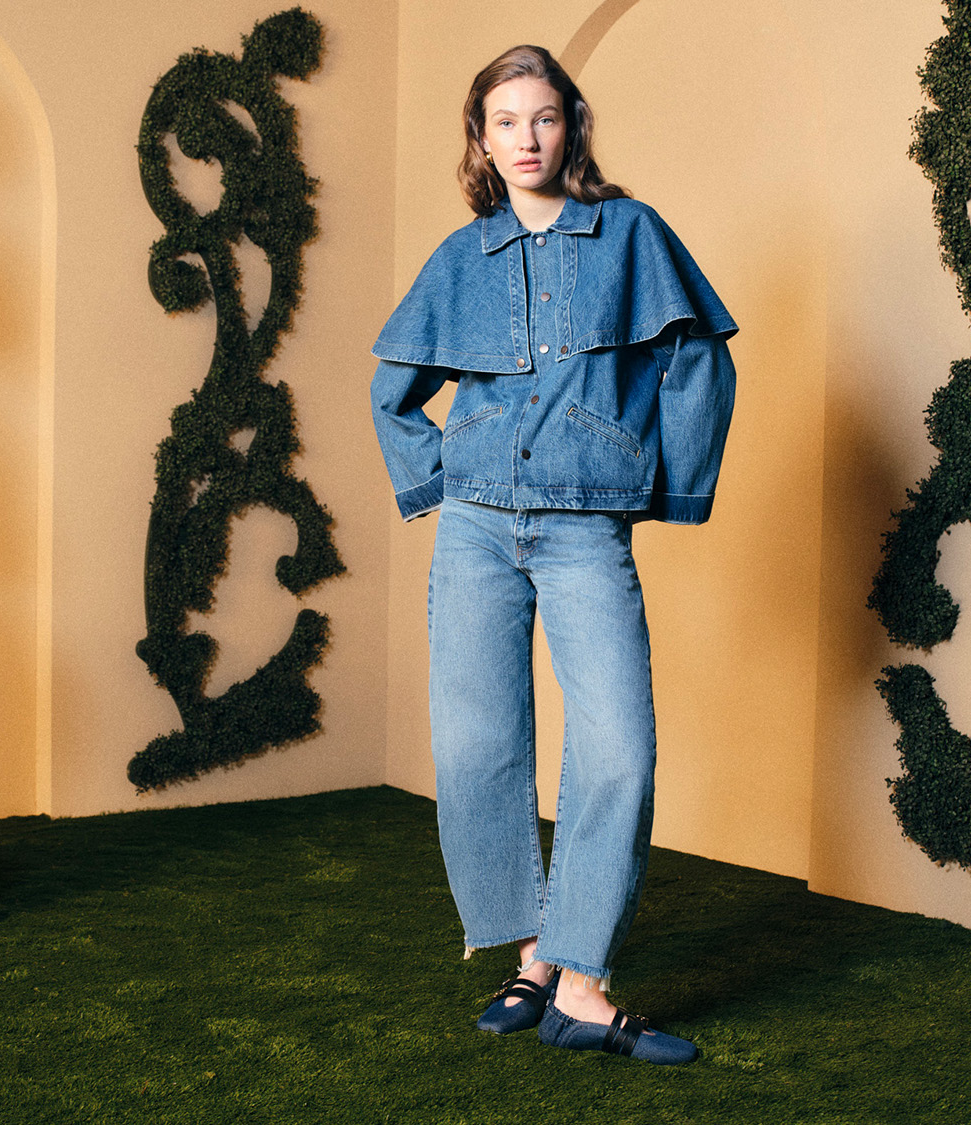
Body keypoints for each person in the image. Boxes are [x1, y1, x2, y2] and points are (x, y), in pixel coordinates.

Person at [368, 44, 737, 1066]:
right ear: (479, 139)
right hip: (476, 528)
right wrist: (443, 480)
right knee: (477, 745)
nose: (524, 139)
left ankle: (582, 981)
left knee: (616, 747)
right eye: (502, 122)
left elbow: (696, 359)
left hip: (583, 527)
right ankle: (535, 958)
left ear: (571, 123)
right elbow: (390, 391)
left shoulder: (629, 234)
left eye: (542, 117)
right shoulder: (461, 255)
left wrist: (663, 482)